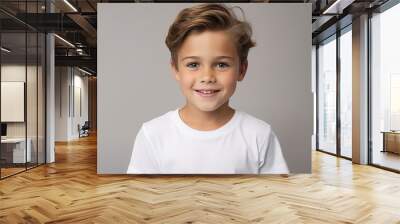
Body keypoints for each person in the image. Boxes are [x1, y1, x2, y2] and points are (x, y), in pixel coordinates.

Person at [127, 3, 289, 174]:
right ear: (176, 69)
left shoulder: (260, 135)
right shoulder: (153, 135)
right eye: (193, 64)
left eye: (221, 64)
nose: (207, 77)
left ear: (241, 70)